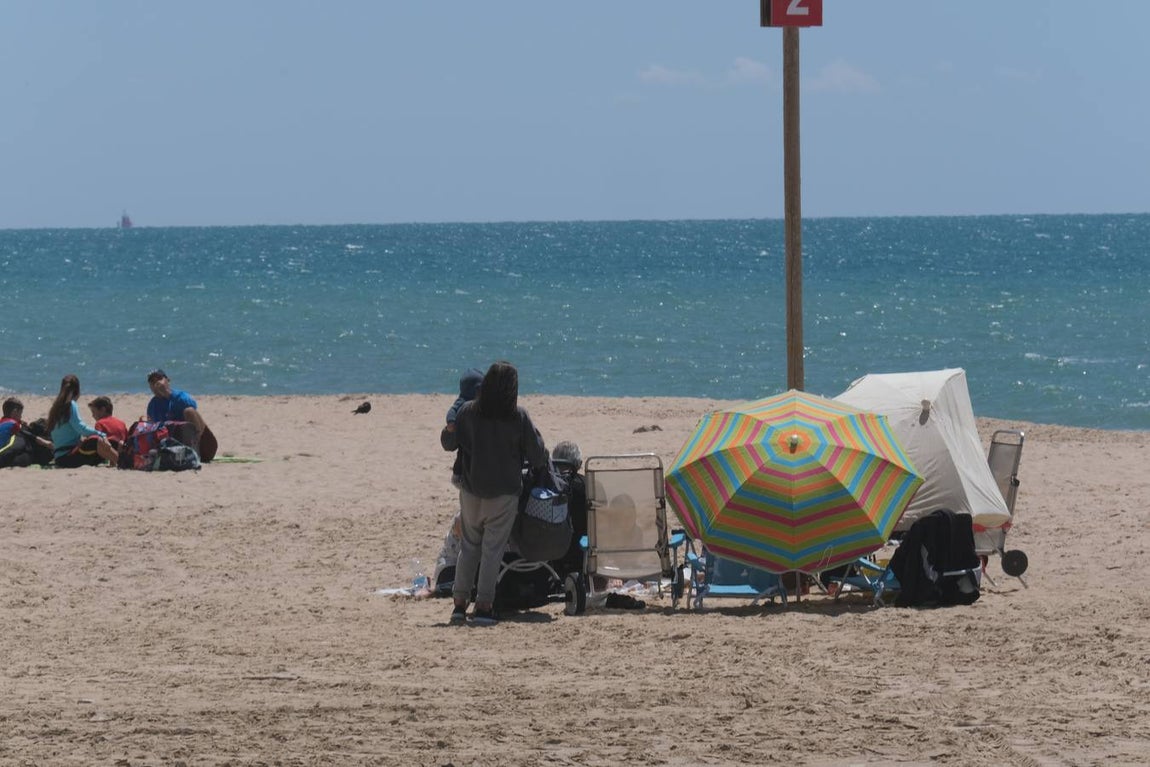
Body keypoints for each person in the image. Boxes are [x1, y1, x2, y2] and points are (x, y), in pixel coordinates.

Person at [440, 361, 548, 626]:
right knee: (492, 550)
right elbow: (537, 455)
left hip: (472, 490)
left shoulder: (467, 412)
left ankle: (459, 603)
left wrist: (451, 428)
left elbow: (448, 443)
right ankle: (485, 605)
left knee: (469, 547)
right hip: (503, 494)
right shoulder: (517, 416)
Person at [46, 374, 118, 468]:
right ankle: (122, 462)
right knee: (96, 440)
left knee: (102, 443)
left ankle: (114, 462)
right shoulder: (70, 405)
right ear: (77, 391)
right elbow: (81, 428)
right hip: (68, 457)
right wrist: (102, 435)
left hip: (60, 458)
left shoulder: (55, 408)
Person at [146, 368, 217, 461]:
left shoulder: (179, 396)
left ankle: (194, 450)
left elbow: (193, 407)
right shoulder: (152, 405)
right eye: (152, 382)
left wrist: (167, 393)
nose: (156, 383)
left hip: (204, 446)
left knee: (189, 411)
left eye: (159, 379)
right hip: (175, 447)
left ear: (168, 380)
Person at [446, 367, 483, 487]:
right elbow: (452, 411)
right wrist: (451, 424)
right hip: (461, 473)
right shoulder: (462, 403)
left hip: (462, 470)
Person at [0, 398, 53, 468]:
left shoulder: (2, 422)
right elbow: (26, 434)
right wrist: (44, 442)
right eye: (20, 413)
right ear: (14, 412)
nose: (21, 416)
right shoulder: (13, 424)